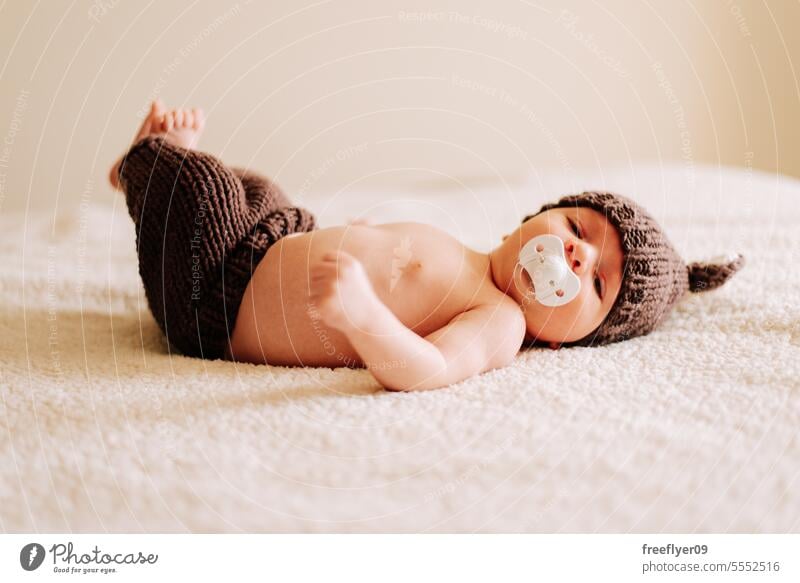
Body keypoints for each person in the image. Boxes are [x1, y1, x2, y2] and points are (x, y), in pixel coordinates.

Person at [110, 100, 745, 391]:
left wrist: (362, 315)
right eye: (578, 231)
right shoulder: (465, 254)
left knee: (205, 187)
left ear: (566, 338)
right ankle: (151, 179)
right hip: (275, 238)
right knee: (260, 187)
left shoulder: (500, 321)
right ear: (534, 220)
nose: (577, 257)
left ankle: (148, 166)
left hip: (217, 302)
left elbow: (429, 369)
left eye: (597, 284)